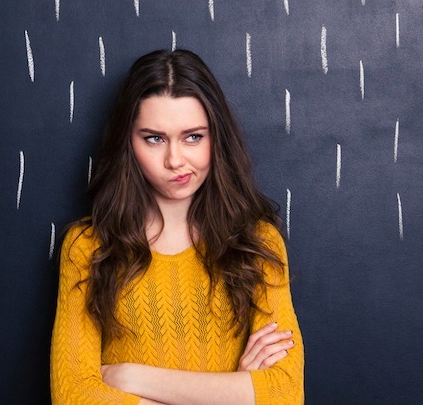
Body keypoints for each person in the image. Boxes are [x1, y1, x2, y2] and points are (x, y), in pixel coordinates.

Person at [51, 49, 304, 404]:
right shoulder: (88, 247)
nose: (175, 160)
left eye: (193, 137)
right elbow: (73, 396)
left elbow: (285, 395)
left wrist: (130, 376)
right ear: (128, 142)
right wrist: (234, 390)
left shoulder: (258, 243)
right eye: (154, 138)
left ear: (217, 137)